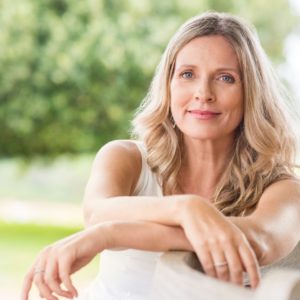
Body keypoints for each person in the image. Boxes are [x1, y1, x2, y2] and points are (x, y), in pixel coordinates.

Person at [21, 11, 300, 300]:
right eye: (187, 74)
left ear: (251, 93)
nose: (203, 93)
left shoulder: (283, 188)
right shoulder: (124, 157)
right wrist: (186, 209)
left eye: (225, 78)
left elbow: (259, 240)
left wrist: (109, 235)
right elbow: (97, 212)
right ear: (168, 84)